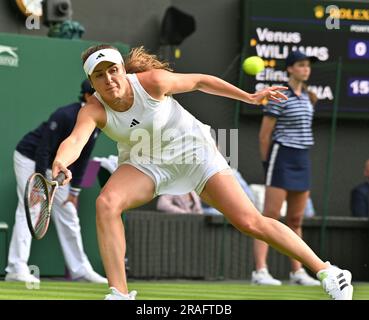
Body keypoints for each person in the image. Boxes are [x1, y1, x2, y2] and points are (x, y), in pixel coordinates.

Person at [52, 45, 353, 300]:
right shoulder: (93, 108)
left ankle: (329, 272)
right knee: (106, 203)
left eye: (112, 70)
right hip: (145, 162)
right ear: (92, 81)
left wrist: (249, 97)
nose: (109, 79)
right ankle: (119, 294)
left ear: (122, 70)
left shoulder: (153, 81)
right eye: (99, 75)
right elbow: (75, 140)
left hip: (195, 153)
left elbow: (200, 81)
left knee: (250, 222)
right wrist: (62, 161)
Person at [5, 80, 107, 284]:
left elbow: (83, 157)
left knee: (69, 213)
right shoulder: (65, 115)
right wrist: (38, 186)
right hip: (30, 159)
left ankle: (80, 270)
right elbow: (42, 149)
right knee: (32, 209)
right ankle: (16, 268)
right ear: (88, 97)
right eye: (99, 94)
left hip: (58, 167)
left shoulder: (96, 122)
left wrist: (74, 193)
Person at [252, 50, 321, 286]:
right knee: (269, 216)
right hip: (281, 157)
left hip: (302, 158)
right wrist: (267, 164)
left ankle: (297, 272)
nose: (306, 69)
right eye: (301, 65)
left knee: (296, 219)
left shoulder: (308, 97)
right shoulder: (279, 95)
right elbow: (264, 135)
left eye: (308, 66)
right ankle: (260, 271)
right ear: (290, 68)